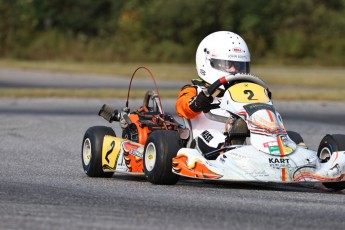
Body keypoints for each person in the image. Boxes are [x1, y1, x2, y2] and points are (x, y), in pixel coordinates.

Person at [175, 31, 251, 158]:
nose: (233, 70)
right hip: (202, 143)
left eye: (238, 65)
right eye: (227, 64)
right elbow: (182, 108)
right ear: (207, 62)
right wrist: (197, 102)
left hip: (245, 139)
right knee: (210, 135)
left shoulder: (245, 91)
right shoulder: (195, 90)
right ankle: (225, 150)